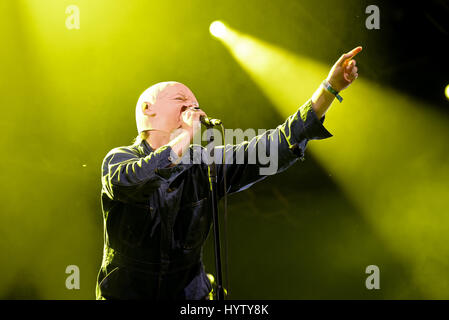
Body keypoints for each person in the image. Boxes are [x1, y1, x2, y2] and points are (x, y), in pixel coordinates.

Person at [96, 46, 362, 300]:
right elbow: (136, 181)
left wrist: (329, 89)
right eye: (181, 100)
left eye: (196, 104)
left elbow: (273, 146)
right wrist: (184, 136)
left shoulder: (204, 163)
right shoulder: (119, 159)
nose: (194, 108)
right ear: (147, 109)